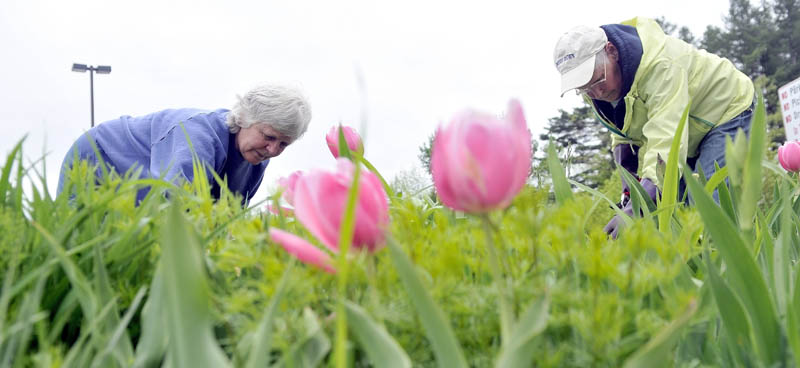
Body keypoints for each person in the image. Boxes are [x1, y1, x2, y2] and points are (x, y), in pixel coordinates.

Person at [553, 17, 755, 238]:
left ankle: (730, 266)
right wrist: (629, 187)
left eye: (598, 80)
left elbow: (666, 137)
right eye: (584, 88)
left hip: (724, 110)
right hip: (686, 130)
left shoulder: (661, 65)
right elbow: (623, 128)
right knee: (674, 215)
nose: (596, 93)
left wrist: (635, 209)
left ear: (612, 52)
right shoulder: (596, 86)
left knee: (707, 209)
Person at [57, 84, 312, 205]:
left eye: (283, 144)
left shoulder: (256, 161)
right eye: (268, 136)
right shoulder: (197, 137)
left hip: (145, 188)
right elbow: (176, 206)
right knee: (84, 243)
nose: (273, 150)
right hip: (100, 159)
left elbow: (227, 217)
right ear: (245, 118)